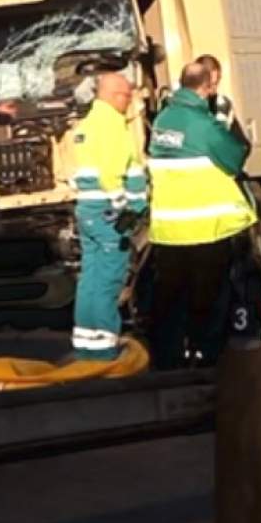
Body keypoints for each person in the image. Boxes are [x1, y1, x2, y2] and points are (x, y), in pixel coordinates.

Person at [148, 62, 256, 367]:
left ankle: (168, 358)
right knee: (209, 297)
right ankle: (206, 355)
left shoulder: (163, 119)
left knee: (170, 299)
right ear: (207, 87)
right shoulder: (203, 124)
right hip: (206, 228)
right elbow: (234, 157)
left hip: (169, 228)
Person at [70, 72, 146, 360]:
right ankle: (104, 352)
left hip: (88, 210)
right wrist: (122, 206)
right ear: (116, 96)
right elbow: (112, 171)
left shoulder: (87, 124)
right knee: (110, 279)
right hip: (108, 213)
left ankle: (86, 345)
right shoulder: (112, 125)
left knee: (90, 278)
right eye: (128, 96)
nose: (129, 103)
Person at [194, 54, 235, 129]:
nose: (213, 89)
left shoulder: (221, 104)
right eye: (209, 85)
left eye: (216, 83)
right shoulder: (184, 107)